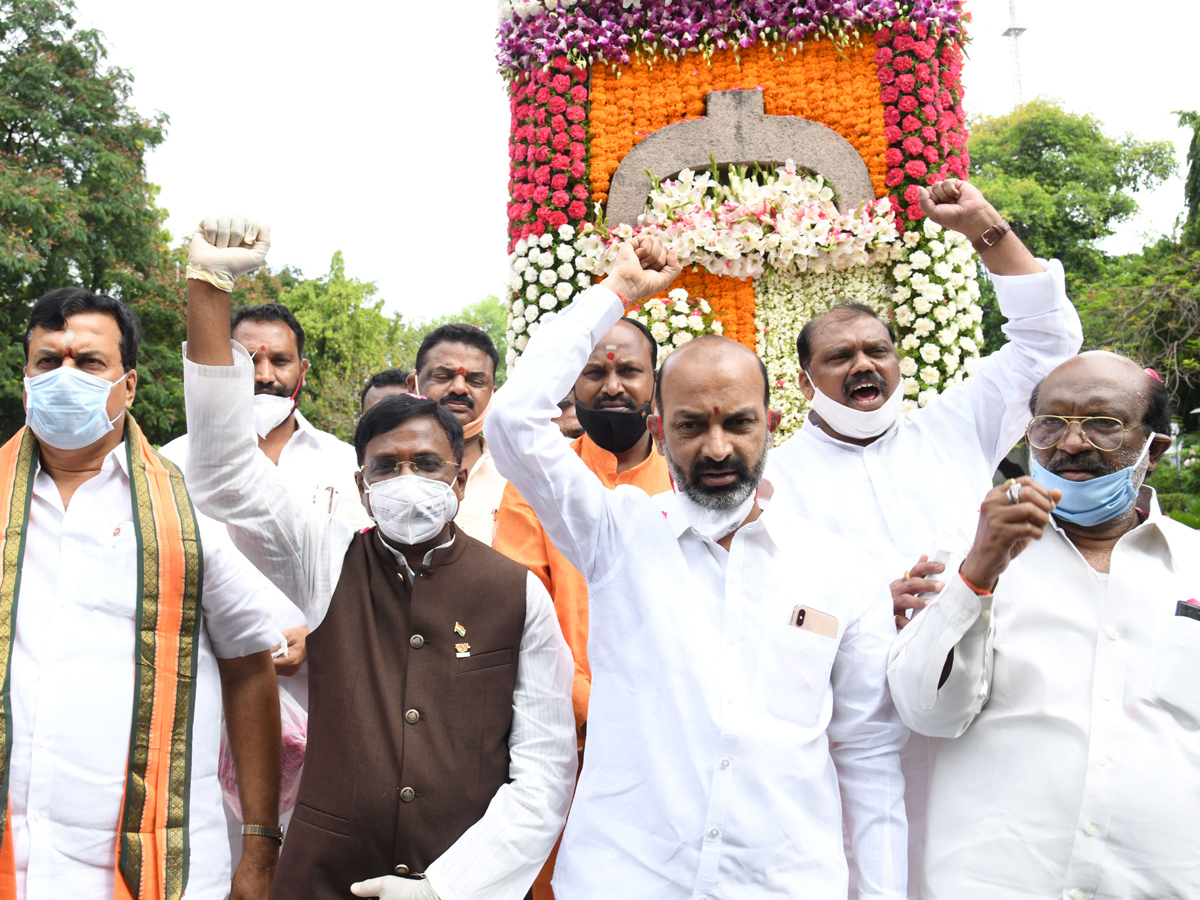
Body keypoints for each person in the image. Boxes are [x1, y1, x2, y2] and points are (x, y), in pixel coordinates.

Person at [487, 236, 908, 899]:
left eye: (738, 423)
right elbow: (512, 419)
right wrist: (615, 292)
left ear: (771, 423)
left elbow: (869, 754)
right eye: (690, 426)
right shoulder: (617, 535)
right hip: (624, 880)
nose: (717, 448)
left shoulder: (841, 573)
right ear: (659, 426)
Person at [181, 216, 577, 900]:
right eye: (387, 467)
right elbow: (220, 471)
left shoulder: (516, 596)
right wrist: (210, 288)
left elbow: (543, 774)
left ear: (459, 479)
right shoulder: (327, 560)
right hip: (319, 879)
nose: (407, 479)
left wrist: (448, 888)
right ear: (361, 486)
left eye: (426, 464)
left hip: (461, 884)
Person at [763, 178, 1083, 895]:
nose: (863, 366)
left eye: (876, 349)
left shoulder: (954, 423)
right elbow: (764, 605)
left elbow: (1051, 340)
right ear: (805, 376)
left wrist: (984, 228)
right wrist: (865, 604)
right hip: (853, 732)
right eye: (839, 357)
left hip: (977, 709)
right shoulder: (774, 479)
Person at [6, 287, 283, 899]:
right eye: (48, 362)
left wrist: (260, 849)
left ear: (128, 385)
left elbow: (249, 668)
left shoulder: (190, 509)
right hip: (15, 861)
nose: (65, 377)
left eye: (89, 363)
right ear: (25, 378)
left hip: (160, 867)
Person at [887, 352, 1194, 899]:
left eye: (1104, 424)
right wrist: (978, 574)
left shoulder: (1191, 565)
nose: (1071, 443)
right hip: (996, 883)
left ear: (1155, 449)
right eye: (1051, 422)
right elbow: (926, 711)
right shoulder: (966, 545)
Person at [492, 314, 672, 900]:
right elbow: (521, 612)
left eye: (629, 371)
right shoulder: (536, 483)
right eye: (594, 372)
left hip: (667, 734)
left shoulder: (687, 480)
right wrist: (592, 705)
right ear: (571, 385)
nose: (612, 386)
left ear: (655, 382)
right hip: (564, 735)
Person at [406, 325, 506, 541]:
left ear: (493, 395)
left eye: (476, 381)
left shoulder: (515, 477)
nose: (459, 388)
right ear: (412, 384)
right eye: (443, 376)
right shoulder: (381, 472)